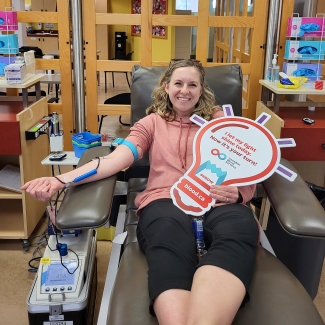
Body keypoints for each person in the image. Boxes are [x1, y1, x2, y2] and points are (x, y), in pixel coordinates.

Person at [22, 59, 258, 325]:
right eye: (178, 83)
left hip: (219, 201)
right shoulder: (151, 124)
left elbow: (249, 164)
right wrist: (61, 180)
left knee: (239, 231)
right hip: (165, 200)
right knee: (167, 237)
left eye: (193, 84)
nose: (185, 90)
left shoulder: (220, 121)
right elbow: (114, 161)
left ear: (202, 90)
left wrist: (240, 193)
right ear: (166, 86)